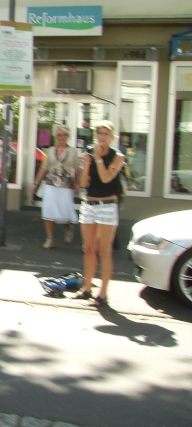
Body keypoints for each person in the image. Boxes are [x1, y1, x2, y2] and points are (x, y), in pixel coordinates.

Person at [76, 120, 125, 308]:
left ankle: (103, 295)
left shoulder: (118, 157)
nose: (102, 137)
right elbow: (82, 184)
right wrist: (87, 163)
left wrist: (97, 158)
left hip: (107, 205)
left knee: (104, 250)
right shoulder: (90, 152)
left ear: (112, 137)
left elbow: (106, 178)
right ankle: (86, 289)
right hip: (89, 203)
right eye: (100, 133)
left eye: (106, 134)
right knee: (88, 249)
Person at [31, 125, 80, 248]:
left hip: (66, 185)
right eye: (59, 135)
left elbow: (78, 169)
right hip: (50, 184)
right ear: (55, 136)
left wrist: (77, 184)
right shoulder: (51, 150)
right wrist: (36, 183)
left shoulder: (73, 152)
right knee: (49, 210)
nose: (62, 137)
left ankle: (68, 228)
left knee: (65, 210)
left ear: (68, 136)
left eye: (64, 135)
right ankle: (49, 239)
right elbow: (44, 167)